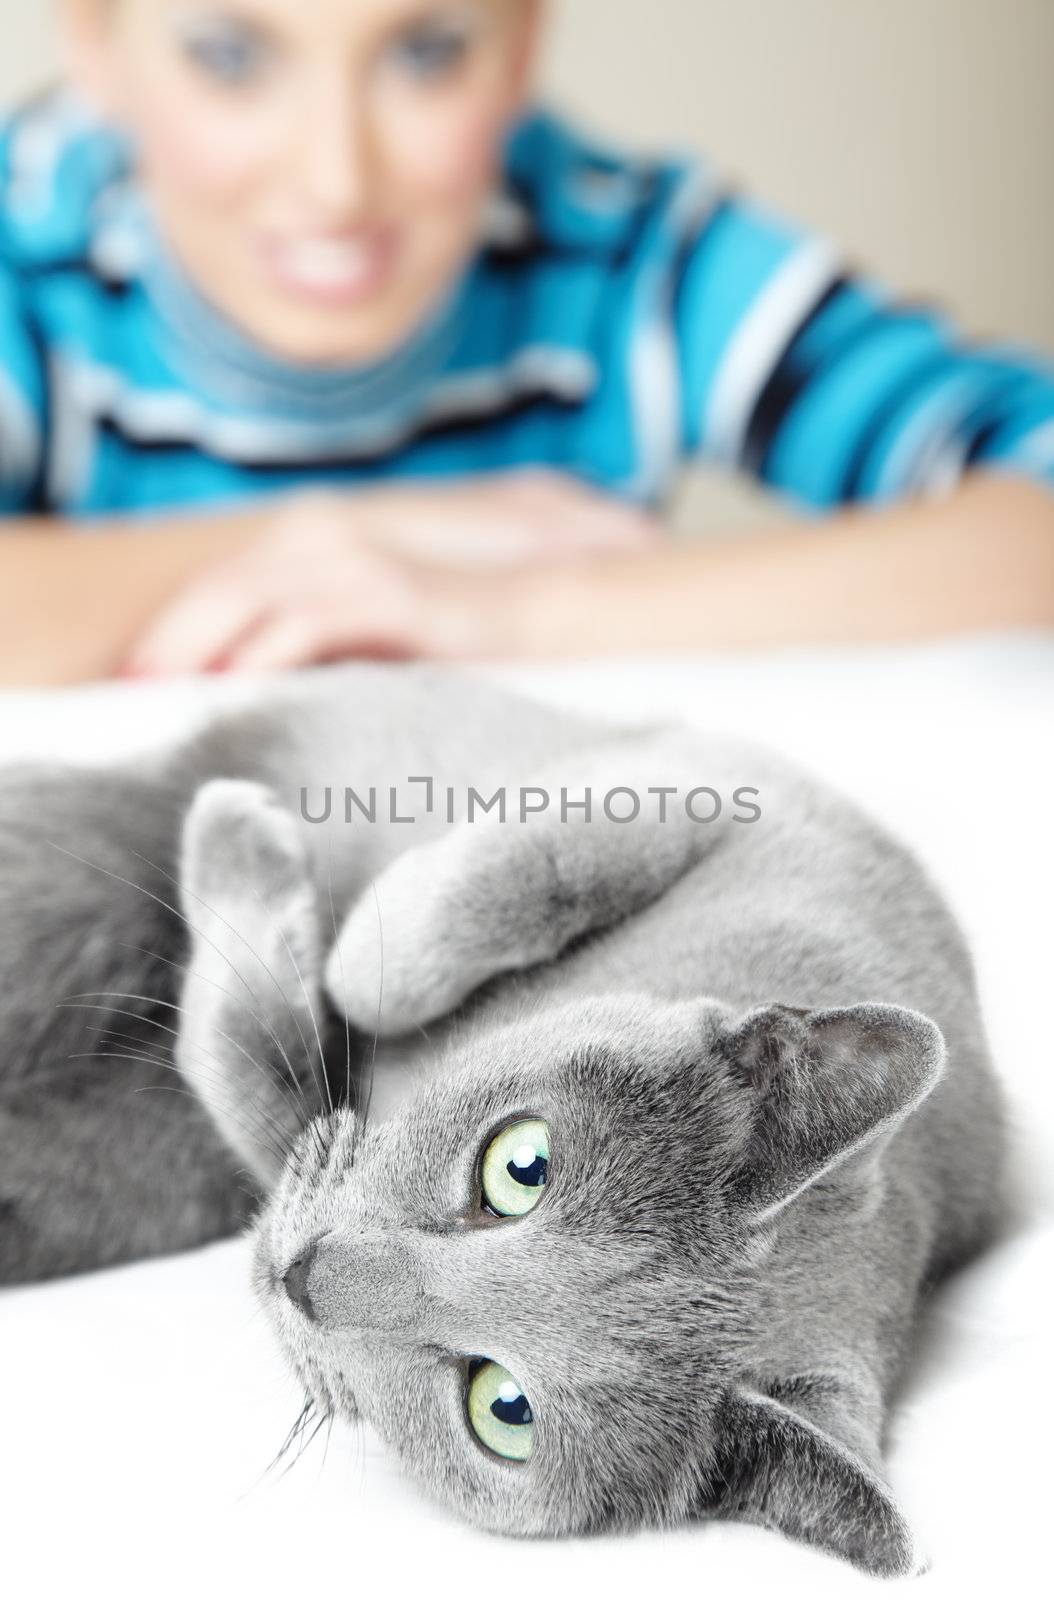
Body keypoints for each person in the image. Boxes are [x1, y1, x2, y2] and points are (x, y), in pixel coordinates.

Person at [0, 0, 1052, 685]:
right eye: (230, 56)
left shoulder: (632, 261)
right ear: (94, 41)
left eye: (426, 52)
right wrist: (379, 534)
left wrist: (514, 611)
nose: (336, 181)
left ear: (526, 45)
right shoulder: (25, 254)